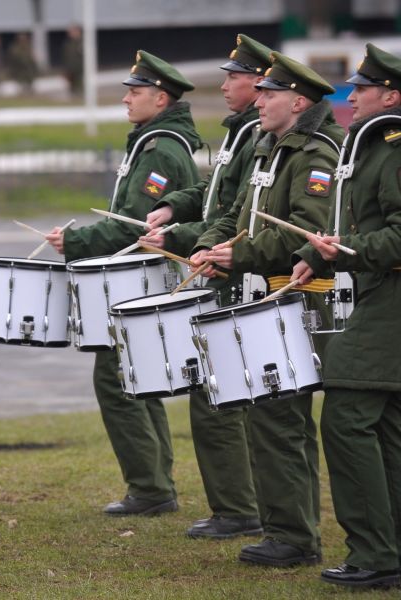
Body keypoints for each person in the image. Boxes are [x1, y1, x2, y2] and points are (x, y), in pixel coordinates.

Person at [190, 51, 344, 567]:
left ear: (298, 102)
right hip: (272, 293)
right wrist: (209, 246)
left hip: (307, 296)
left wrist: (240, 255)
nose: (258, 98)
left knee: (281, 417)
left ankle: (295, 539)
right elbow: (236, 215)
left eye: (269, 93)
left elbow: (307, 231)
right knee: (273, 417)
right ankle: (288, 530)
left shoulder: (315, 154)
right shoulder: (268, 150)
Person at [46, 50, 202, 516]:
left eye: (134, 92)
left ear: (161, 97)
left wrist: (75, 240)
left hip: (139, 277)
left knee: (118, 376)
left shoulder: (161, 148)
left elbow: (133, 223)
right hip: (137, 276)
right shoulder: (153, 142)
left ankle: (151, 488)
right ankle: (155, 484)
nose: (125, 99)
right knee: (138, 375)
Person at [140, 34, 273, 540]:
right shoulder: (242, 132)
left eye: (234, 76)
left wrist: (180, 234)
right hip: (223, 268)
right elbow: (217, 196)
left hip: (239, 277)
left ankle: (239, 508)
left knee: (219, 395)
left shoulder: (255, 133)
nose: (224, 84)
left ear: (260, 81)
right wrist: (175, 207)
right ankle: (237, 505)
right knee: (216, 394)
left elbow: (239, 215)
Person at [292, 43, 401, 589]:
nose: (350, 95)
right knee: (384, 429)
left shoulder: (396, 146)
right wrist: (314, 254)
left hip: (389, 301)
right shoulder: (374, 145)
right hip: (378, 296)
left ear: (392, 95)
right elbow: (355, 224)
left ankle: (376, 556)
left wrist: (347, 252)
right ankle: (388, 550)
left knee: (347, 418)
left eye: (362, 88)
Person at [62, 25, 84, 99]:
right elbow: (66, 57)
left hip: (80, 69)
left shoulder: (82, 43)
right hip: (71, 69)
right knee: (72, 86)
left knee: (80, 85)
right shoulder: (68, 44)